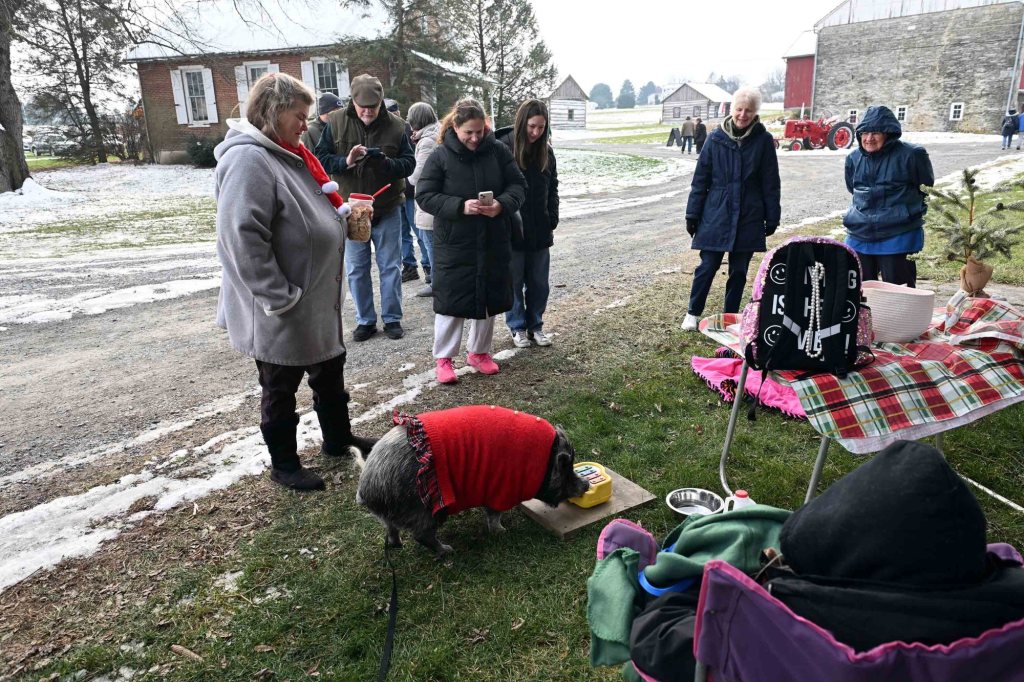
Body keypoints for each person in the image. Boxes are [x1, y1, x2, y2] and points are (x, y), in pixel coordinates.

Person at [213, 72, 377, 491]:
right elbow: (241, 237)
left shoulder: (291, 153)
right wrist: (279, 297)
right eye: (299, 116)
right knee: (280, 384)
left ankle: (338, 441)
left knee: (328, 370)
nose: (307, 125)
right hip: (282, 306)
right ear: (271, 112)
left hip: (315, 300)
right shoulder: (250, 160)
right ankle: (284, 465)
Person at [415, 97, 526, 384]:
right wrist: (459, 206)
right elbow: (425, 195)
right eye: (469, 133)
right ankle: (444, 358)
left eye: (479, 131)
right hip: (455, 242)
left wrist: (501, 204)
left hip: (492, 238)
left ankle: (479, 353)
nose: (475, 138)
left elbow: (518, 186)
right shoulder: (440, 156)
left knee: (487, 300)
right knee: (452, 302)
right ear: (455, 127)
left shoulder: (499, 151)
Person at [315, 74, 415, 342]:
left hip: (388, 206)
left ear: (381, 102)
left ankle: (392, 318)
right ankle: (365, 321)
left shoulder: (397, 125)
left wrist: (386, 165)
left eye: (373, 107)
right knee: (357, 268)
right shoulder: (335, 122)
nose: (368, 112)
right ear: (353, 102)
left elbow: (409, 164)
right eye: (363, 107)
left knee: (390, 266)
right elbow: (320, 160)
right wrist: (345, 161)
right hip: (352, 208)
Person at [681, 88, 780, 332]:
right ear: (731, 109)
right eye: (739, 109)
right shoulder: (715, 138)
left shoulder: (763, 141)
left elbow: (770, 181)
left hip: (749, 214)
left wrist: (772, 215)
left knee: (739, 270)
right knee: (707, 265)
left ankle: (730, 317)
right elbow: (700, 179)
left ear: (755, 113)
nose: (742, 114)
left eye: (748, 110)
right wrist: (692, 213)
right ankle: (693, 313)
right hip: (716, 211)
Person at [842, 105, 934, 288]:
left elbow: (925, 187)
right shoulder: (853, 158)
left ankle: (900, 318)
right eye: (864, 133)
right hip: (860, 233)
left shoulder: (913, 155)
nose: (869, 139)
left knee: (899, 292)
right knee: (861, 292)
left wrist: (904, 211)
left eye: (875, 133)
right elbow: (853, 188)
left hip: (898, 233)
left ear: (888, 133)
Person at [495, 98, 560, 348]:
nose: (536, 132)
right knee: (513, 282)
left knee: (539, 283)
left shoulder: (547, 151)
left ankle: (536, 325)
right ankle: (517, 326)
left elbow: (553, 187)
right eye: (532, 126)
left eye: (541, 127)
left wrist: (552, 216)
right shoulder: (504, 148)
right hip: (512, 231)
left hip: (540, 228)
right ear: (522, 123)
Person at [388, 99, 431, 284]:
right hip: (400, 190)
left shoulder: (410, 132)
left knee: (420, 231)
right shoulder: (409, 132)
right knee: (405, 232)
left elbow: (415, 168)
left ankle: (427, 266)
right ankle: (410, 265)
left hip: (411, 190)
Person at [407, 101, 440, 298]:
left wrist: (405, 180)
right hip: (436, 198)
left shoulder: (427, 141)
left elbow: (418, 173)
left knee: (431, 244)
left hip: (428, 201)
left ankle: (437, 283)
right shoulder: (435, 133)